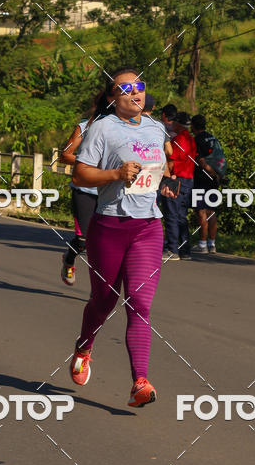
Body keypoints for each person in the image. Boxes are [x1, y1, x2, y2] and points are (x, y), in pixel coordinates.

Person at [70, 67, 176, 407]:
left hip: (148, 227)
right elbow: (81, 173)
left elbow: (161, 166)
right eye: (126, 88)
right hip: (110, 226)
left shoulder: (156, 128)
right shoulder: (101, 128)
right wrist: (115, 173)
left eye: (140, 86)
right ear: (113, 96)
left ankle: (139, 383)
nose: (135, 92)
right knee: (104, 300)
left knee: (140, 305)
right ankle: (85, 346)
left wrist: (166, 183)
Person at [59, 92, 111, 286]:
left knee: (104, 244)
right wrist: (90, 164)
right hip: (85, 191)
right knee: (83, 241)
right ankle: (69, 259)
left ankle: (97, 289)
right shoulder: (84, 127)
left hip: (109, 191)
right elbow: (65, 155)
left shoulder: (123, 129)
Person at [162, 111, 197, 260]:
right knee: (182, 216)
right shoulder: (191, 140)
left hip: (176, 179)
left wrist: (166, 176)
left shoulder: (178, 141)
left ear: (178, 124)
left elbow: (171, 160)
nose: (172, 125)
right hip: (189, 180)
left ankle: (172, 249)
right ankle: (185, 250)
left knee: (171, 215)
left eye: (173, 122)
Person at [191, 114, 220, 254]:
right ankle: (212, 244)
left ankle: (202, 244)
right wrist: (217, 175)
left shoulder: (197, 140)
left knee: (201, 211)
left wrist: (210, 172)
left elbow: (201, 162)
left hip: (202, 178)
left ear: (193, 126)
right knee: (212, 210)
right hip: (214, 179)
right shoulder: (213, 138)